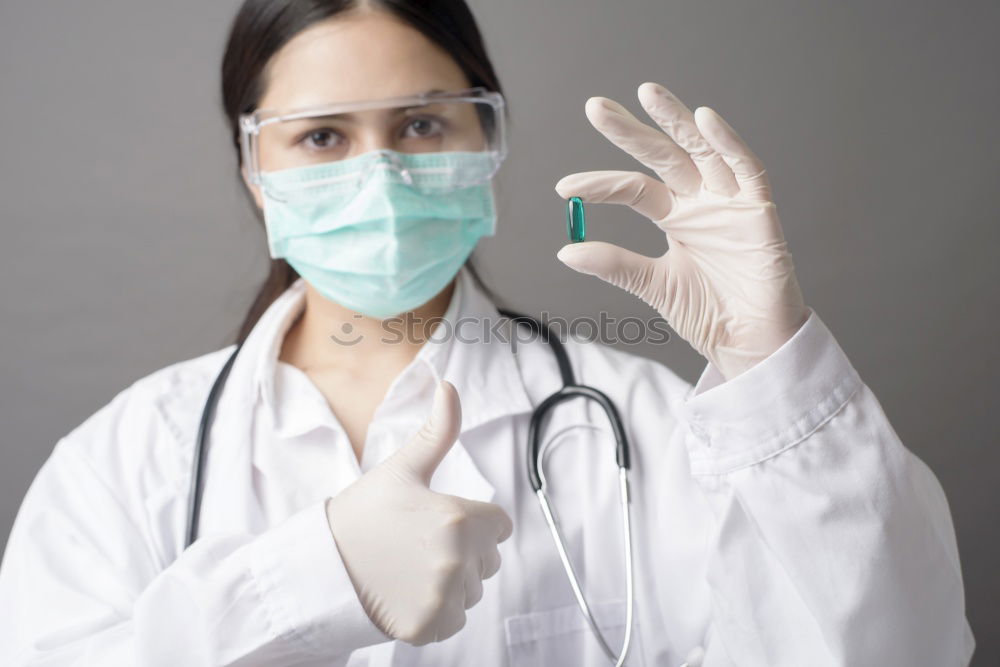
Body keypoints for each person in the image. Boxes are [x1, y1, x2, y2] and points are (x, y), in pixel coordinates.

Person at [0, 0, 974, 665]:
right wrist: (306, 581)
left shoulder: (644, 423)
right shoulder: (125, 463)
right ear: (256, 169)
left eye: (423, 125)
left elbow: (899, 646)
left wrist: (771, 367)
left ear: (486, 143)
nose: (378, 177)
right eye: (322, 137)